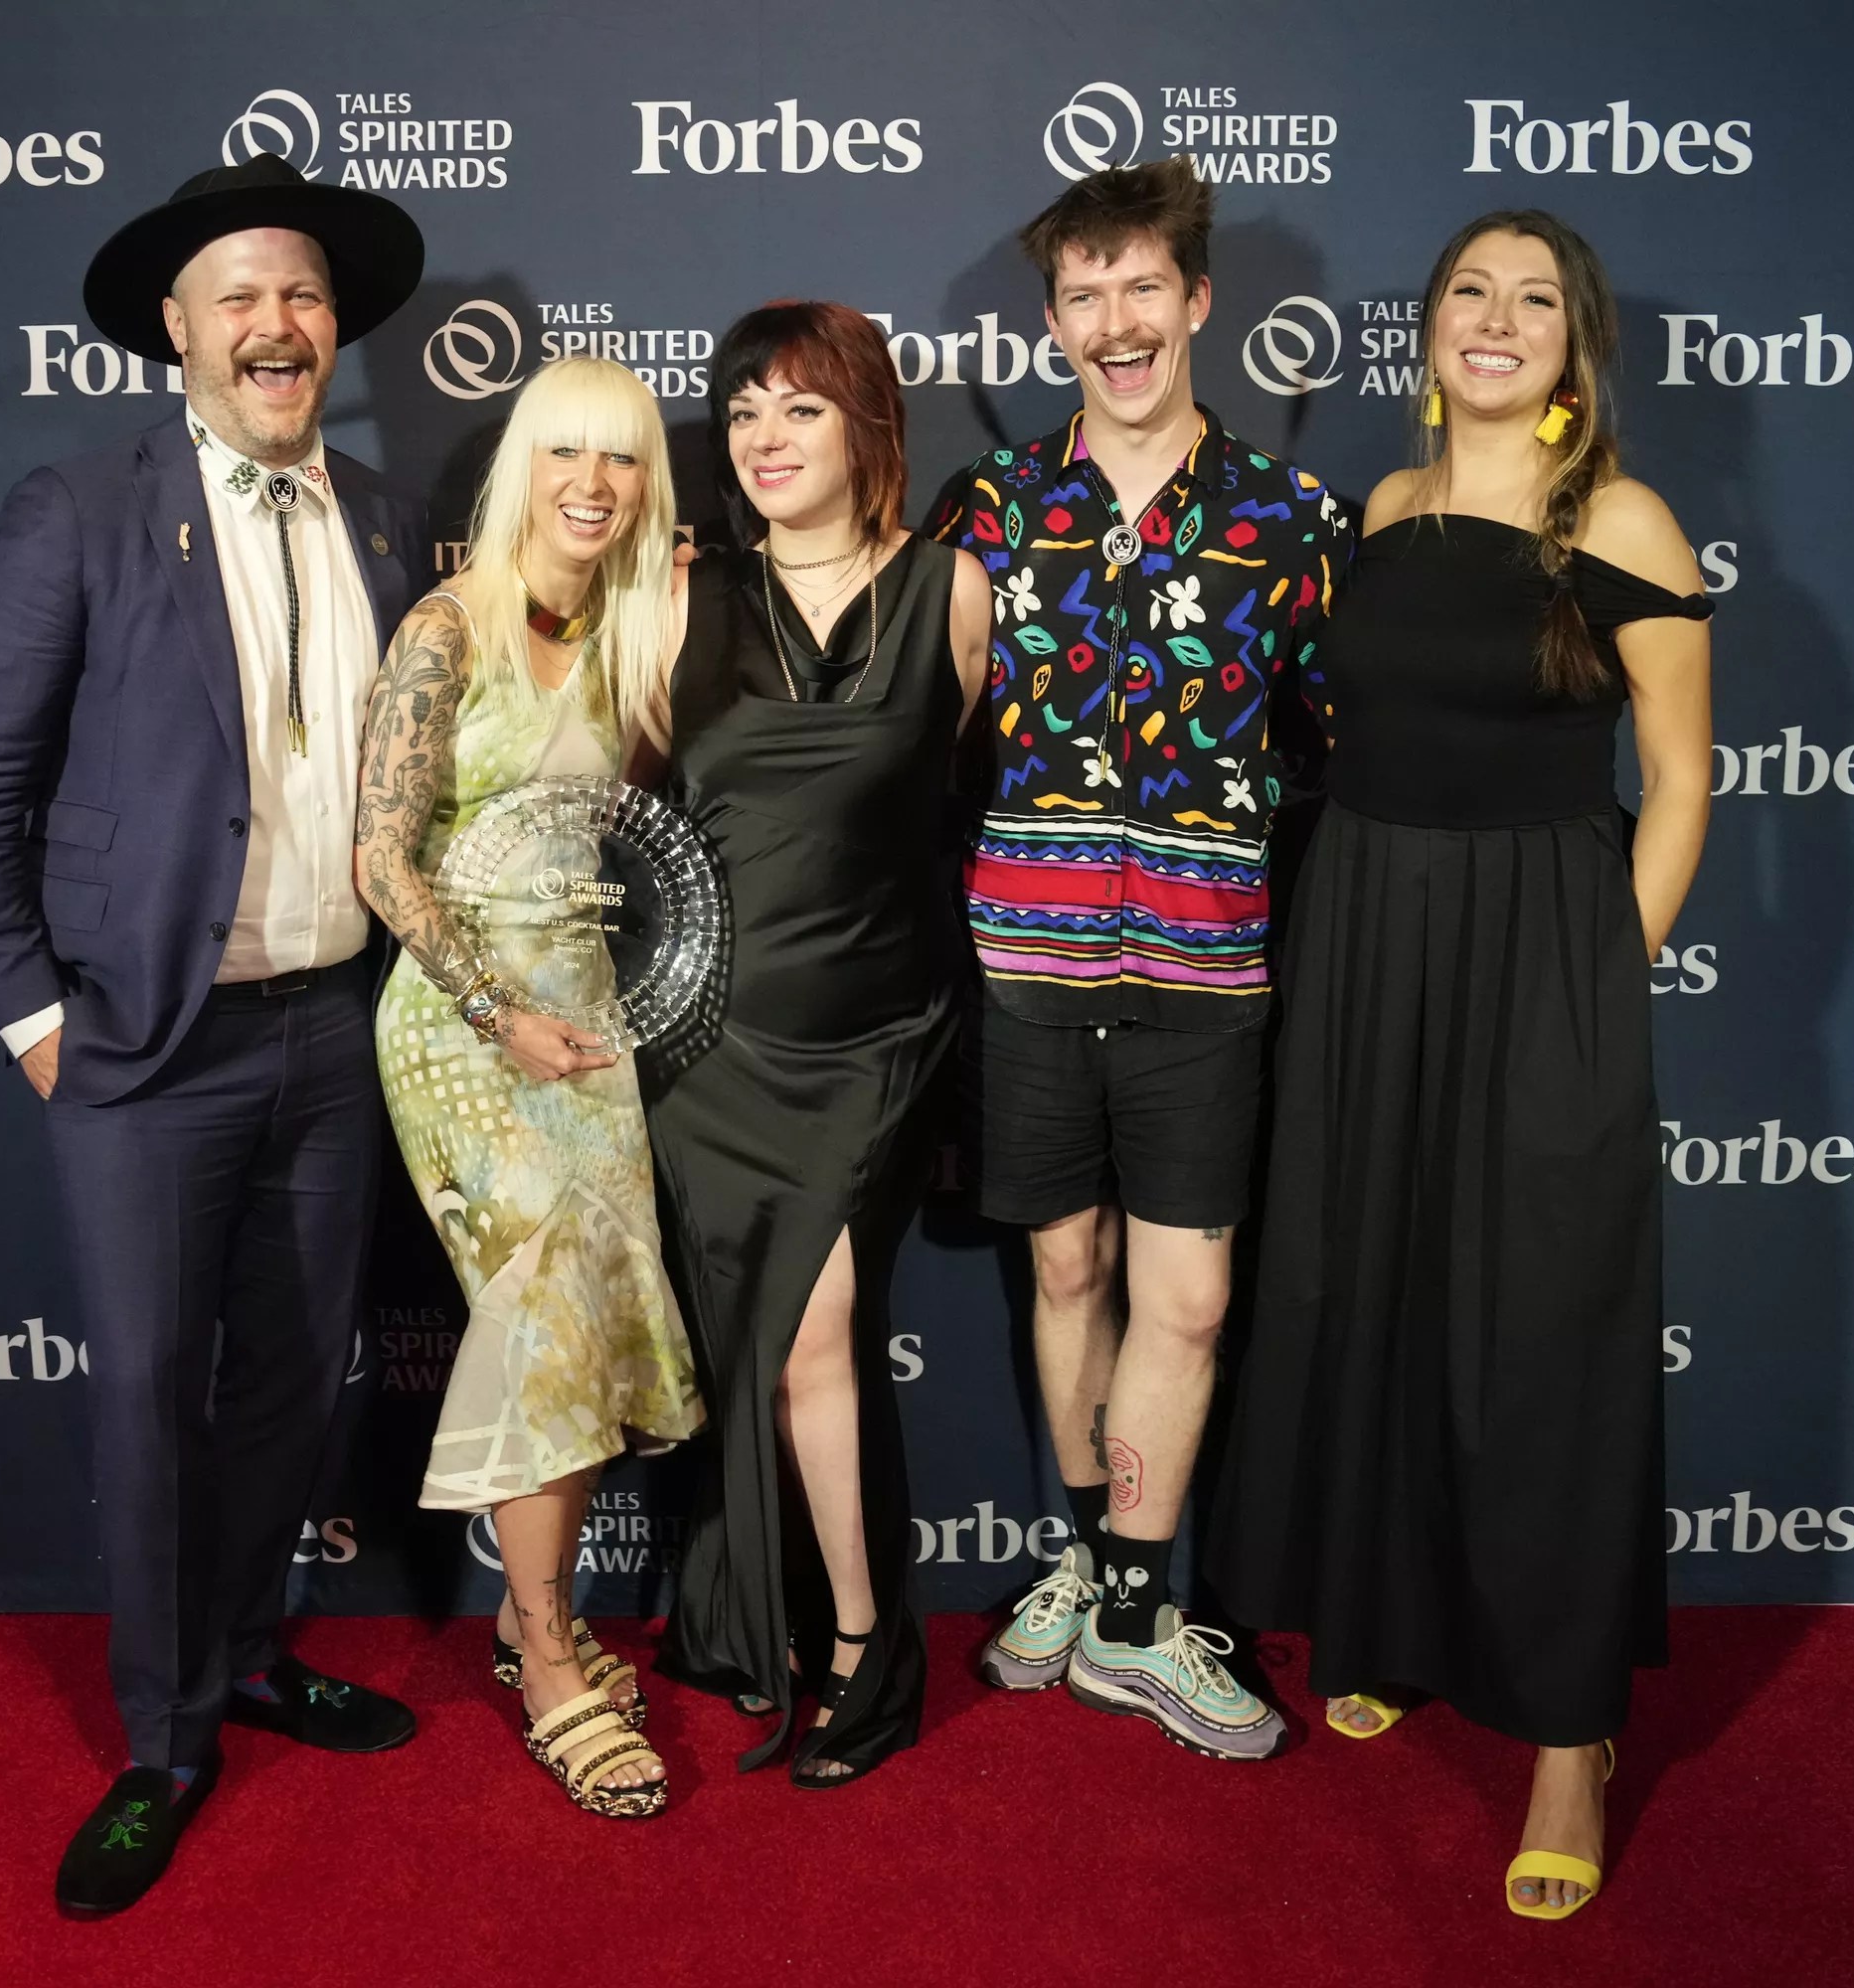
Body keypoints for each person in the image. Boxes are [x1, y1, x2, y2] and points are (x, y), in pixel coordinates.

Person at [0, 155, 430, 1915]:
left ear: (332, 325)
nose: (275, 326)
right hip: (144, 1050)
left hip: (332, 1030)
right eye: (240, 297)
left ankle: (248, 1648)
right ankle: (163, 1740)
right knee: (150, 1397)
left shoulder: (375, 513)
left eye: (299, 295)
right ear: (179, 328)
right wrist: (29, 1020)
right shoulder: (76, 508)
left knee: (295, 1386)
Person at [1207, 209, 1715, 1921]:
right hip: (1364, 938)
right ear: (1427, 329)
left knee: (1543, 1331)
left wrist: (1598, 986)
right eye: (1470, 296)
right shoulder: (1388, 515)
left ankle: (1571, 1735)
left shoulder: (1622, 522)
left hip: (1539, 955)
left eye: (1537, 304)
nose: (1497, 323)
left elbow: (1682, 774)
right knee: (1389, 1295)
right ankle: (1403, 1626)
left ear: (1578, 349)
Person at [924, 160, 1347, 1760]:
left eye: (1142, 290)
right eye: (1085, 296)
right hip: (1026, 970)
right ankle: (1091, 1562)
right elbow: (921, 723)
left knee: (1189, 1295)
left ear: (1197, 302)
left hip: (1203, 981)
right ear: (1054, 324)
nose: (1117, 323)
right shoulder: (994, 510)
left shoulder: (1292, 524)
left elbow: (1353, 748)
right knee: (1065, 1270)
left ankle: (1131, 1607)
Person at [350, 356, 702, 1820]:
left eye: (620, 461)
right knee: (543, 1319)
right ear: (519, 468)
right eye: (565, 453)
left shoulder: (629, 625)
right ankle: (551, 1656)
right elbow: (382, 860)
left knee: (589, 1324)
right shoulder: (450, 628)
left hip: (591, 1018)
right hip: (456, 1023)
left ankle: (521, 1620)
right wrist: (497, 1013)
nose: (593, 485)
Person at [645, 301, 990, 1785]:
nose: (765, 440)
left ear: (868, 427)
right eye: (741, 415)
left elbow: (969, 817)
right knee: (759, 1349)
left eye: (799, 409)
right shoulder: (677, 597)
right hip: (712, 1045)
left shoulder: (952, 595)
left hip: (872, 1039)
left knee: (814, 1339)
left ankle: (863, 1642)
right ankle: (759, 1610)